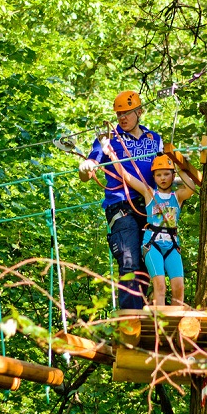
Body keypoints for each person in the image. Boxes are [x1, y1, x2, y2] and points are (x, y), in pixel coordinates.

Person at [78, 91, 162, 309]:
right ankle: (129, 322)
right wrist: (86, 167)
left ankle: (145, 319)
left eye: (127, 113)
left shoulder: (155, 139)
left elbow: (165, 170)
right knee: (129, 262)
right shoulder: (108, 140)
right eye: (119, 114)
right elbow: (88, 170)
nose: (122, 118)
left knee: (151, 264)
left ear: (139, 112)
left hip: (151, 206)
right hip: (121, 205)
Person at [100, 143, 195, 306]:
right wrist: (111, 155)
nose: (163, 178)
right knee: (160, 286)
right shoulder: (149, 193)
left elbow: (191, 187)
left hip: (172, 244)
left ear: (172, 175)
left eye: (166, 174)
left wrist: (179, 165)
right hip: (152, 243)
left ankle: (176, 324)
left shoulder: (177, 196)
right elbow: (126, 176)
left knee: (179, 287)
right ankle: (160, 325)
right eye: (159, 175)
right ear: (154, 177)